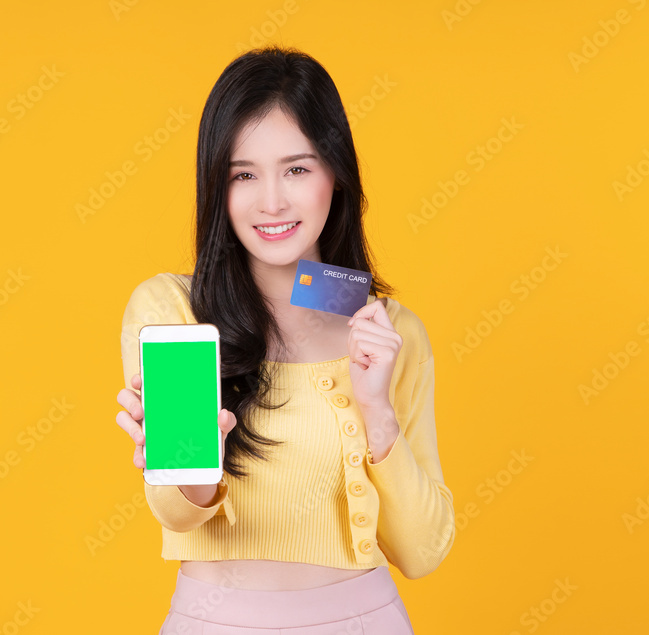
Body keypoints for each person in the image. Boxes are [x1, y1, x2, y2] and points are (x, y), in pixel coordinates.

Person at [114, 45, 455, 634]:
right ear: (216, 188)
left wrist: (376, 409)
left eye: (297, 168)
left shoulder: (390, 330)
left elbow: (423, 552)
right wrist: (191, 475)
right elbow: (175, 513)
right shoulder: (174, 309)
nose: (271, 201)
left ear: (337, 175)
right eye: (243, 175)